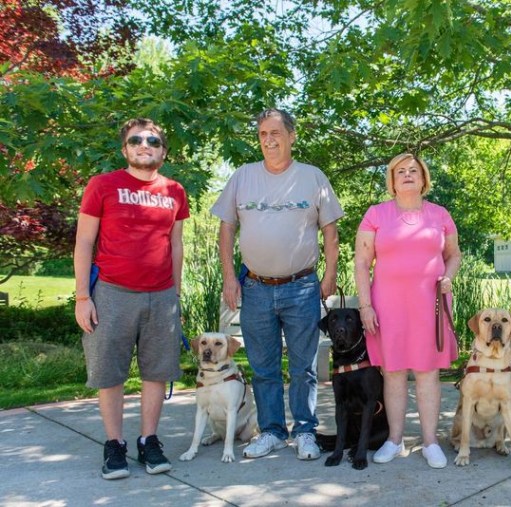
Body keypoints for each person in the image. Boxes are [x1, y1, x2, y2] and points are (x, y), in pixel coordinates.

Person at [211, 108, 343, 461]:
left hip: (301, 286)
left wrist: (330, 274)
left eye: (275, 133)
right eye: (262, 135)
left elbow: (331, 230)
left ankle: (304, 431)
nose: (269, 140)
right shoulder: (242, 177)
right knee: (264, 366)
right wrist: (228, 277)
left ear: (291, 135)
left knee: (304, 367)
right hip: (254, 286)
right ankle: (270, 431)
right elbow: (226, 229)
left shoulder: (313, 177)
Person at [73, 118, 189, 480]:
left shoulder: (175, 190)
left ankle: (148, 441)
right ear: (125, 149)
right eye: (136, 140)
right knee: (110, 373)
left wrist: (176, 296)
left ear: (163, 151)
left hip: (161, 295)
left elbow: (176, 244)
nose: (144, 145)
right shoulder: (102, 185)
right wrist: (81, 296)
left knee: (157, 371)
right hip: (112, 293)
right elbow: (83, 242)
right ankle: (115, 446)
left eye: (153, 140)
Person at [355, 153, 462, 469]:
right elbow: (362, 263)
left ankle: (430, 443)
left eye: (414, 170)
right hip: (387, 305)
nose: (407, 174)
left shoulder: (440, 215)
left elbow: (454, 255)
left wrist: (448, 277)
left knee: (428, 372)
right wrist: (365, 305)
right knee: (394, 372)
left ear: (424, 178)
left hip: (430, 304)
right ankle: (395, 440)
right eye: (400, 171)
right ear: (391, 180)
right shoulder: (375, 214)